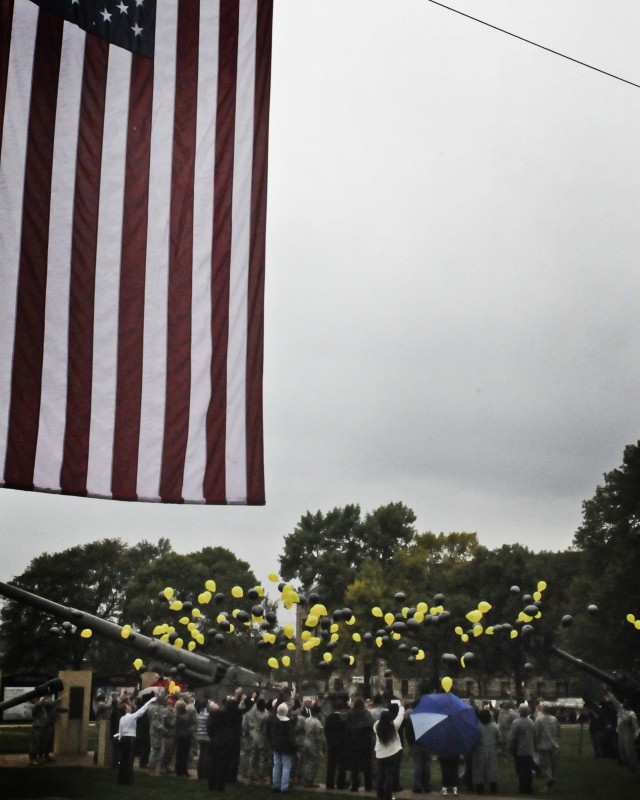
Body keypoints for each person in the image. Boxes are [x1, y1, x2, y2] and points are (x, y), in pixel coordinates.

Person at [115, 694, 157, 785]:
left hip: (123, 739)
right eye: (128, 706)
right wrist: (150, 701)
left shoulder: (122, 718)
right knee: (130, 760)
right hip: (131, 739)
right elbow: (141, 711)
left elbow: (120, 730)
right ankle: (128, 780)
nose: (130, 706)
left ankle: (121, 779)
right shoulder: (130, 717)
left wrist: (119, 739)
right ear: (126, 709)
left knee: (123, 759)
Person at [374, 699, 405, 800]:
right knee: (389, 777)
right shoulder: (393, 726)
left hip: (380, 755)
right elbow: (400, 716)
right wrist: (402, 706)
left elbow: (382, 719)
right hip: (392, 754)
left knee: (380, 776)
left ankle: (380, 795)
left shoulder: (376, 726)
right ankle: (387, 796)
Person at [345, 696, 374, 792]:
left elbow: (346, 727)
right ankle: (368, 786)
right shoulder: (367, 714)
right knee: (367, 766)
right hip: (366, 743)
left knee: (355, 766)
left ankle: (355, 786)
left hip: (353, 743)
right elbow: (370, 727)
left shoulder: (349, 714)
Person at [267, 702, 298, 793]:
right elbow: (291, 737)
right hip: (286, 747)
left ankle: (275, 785)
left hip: (276, 745)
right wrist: (295, 748)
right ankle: (284, 787)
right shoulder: (288, 723)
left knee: (276, 765)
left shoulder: (274, 720)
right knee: (286, 766)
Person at [471, 708, 502, 794]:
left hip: (479, 750)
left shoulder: (477, 726)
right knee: (491, 768)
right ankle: (493, 788)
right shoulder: (494, 726)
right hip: (491, 750)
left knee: (480, 769)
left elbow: (474, 739)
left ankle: (480, 788)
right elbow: (500, 738)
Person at [509, 702, 536, 795]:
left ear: (520, 712)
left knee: (521, 770)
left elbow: (512, 737)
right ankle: (529, 788)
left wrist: (511, 749)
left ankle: (522, 788)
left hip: (519, 750)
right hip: (529, 749)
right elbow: (535, 735)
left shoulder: (516, 722)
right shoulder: (532, 722)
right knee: (528, 770)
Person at [406, 700, 431, 794]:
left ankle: (418, 786)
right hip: (425, 743)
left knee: (418, 766)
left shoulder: (413, 717)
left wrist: (410, 743)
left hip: (415, 744)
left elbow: (408, 732)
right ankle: (426, 785)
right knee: (426, 766)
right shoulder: (427, 717)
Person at [324, 699, 348, 791]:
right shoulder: (343, 719)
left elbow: (326, 731)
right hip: (341, 745)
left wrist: (329, 739)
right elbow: (345, 732)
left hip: (331, 744)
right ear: (341, 708)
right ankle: (340, 783)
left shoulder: (329, 718)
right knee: (342, 765)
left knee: (331, 764)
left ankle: (329, 783)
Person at [616, 698, 639, 773]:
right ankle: (627, 765)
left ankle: (632, 767)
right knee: (621, 750)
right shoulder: (620, 711)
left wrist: (636, 735)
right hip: (621, 733)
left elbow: (636, 726)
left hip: (628, 734)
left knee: (629, 751)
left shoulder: (632, 713)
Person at [174, 699, 192, 776]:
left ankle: (179, 771)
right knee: (184, 755)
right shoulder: (185, 716)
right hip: (185, 737)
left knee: (179, 754)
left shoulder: (177, 716)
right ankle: (184, 771)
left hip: (178, 736)